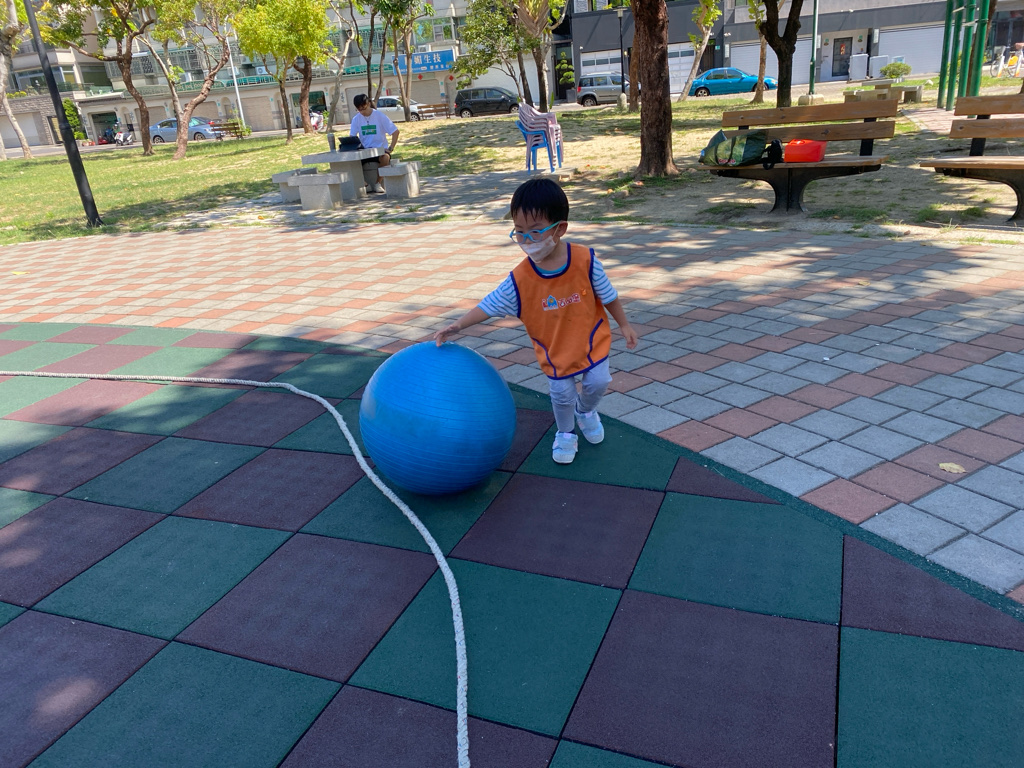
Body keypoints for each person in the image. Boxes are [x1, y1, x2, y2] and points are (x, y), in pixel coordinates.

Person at [434, 178, 638, 465]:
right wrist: (459, 325)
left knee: (599, 381)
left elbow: (609, 295)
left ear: (559, 229)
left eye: (535, 231)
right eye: (519, 232)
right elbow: (490, 304)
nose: (527, 240)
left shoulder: (585, 260)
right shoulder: (520, 279)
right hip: (555, 351)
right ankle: (566, 433)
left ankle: (586, 411)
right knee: (562, 394)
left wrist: (624, 325)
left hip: (592, 341)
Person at [349, 94, 399, 194]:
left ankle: (378, 183)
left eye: (363, 108)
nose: (362, 112)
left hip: (380, 150)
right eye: (359, 110)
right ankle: (365, 184)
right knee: (351, 162)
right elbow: (352, 137)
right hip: (364, 151)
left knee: (385, 158)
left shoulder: (379, 116)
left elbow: (395, 132)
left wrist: (391, 148)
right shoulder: (356, 119)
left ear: (368, 104)